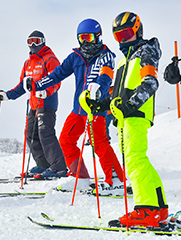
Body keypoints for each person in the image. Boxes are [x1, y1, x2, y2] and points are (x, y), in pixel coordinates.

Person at [86, 12, 169, 227]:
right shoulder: (125, 61)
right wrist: (99, 105)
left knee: (133, 160)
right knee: (139, 159)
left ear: (138, 31)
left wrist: (130, 105)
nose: (123, 40)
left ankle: (146, 211)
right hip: (125, 117)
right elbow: (118, 95)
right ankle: (159, 208)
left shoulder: (145, 51)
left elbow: (150, 83)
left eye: (127, 34)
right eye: (118, 36)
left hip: (135, 114)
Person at [26, 19, 125, 192]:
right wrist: (36, 85)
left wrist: (98, 89)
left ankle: (116, 180)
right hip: (78, 109)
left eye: (88, 37)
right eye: (82, 38)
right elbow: (57, 74)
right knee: (66, 140)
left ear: (98, 36)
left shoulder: (106, 56)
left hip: (96, 108)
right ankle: (80, 177)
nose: (85, 42)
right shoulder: (76, 56)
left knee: (99, 143)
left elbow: (105, 75)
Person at [0, 30, 67, 178]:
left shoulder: (50, 59)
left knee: (45, 133)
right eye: (30, 41)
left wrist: (47, 91)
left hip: (47, 103)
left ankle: (59, 167)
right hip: (34, 104)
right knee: (30, 134)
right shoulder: (28, 63)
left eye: (36, 41)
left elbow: (57, 80)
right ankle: (43, 165)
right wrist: (8, 95)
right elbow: (23, 86)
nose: (33, 44)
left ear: (43, 41)